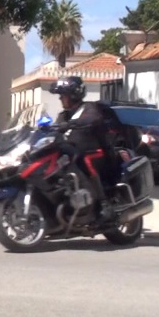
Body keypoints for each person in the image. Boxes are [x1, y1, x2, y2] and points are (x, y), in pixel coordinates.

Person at [48, 76, 118, 224]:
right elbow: (55, 131)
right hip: (72, 154)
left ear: (73, 95)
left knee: (83, 160)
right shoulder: (63, 115)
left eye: (63, 95)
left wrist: (71, 124)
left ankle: (104, 204)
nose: (60, 99)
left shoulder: (90, 108)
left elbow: (93, 119)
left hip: (97, 153)